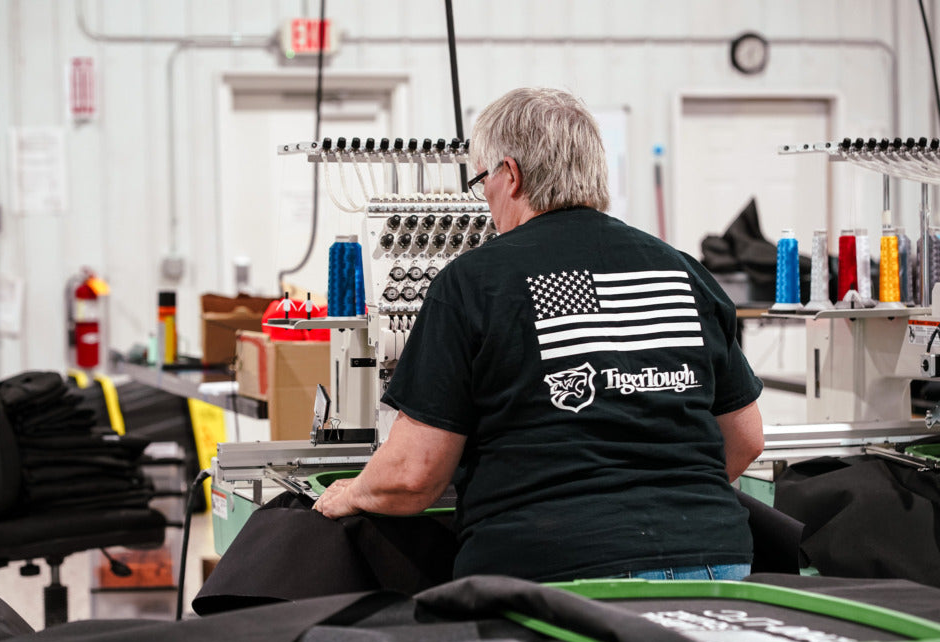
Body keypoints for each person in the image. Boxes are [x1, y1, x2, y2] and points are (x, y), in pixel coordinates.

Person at [315, 87, 764, 583]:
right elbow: (746, 440)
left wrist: (353, 491)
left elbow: (414, 475)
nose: (483, 199)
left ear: (510, 175)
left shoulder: (474, 282)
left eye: (481, 180)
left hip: (555, 571)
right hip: (715, 559)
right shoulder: (683, 272)